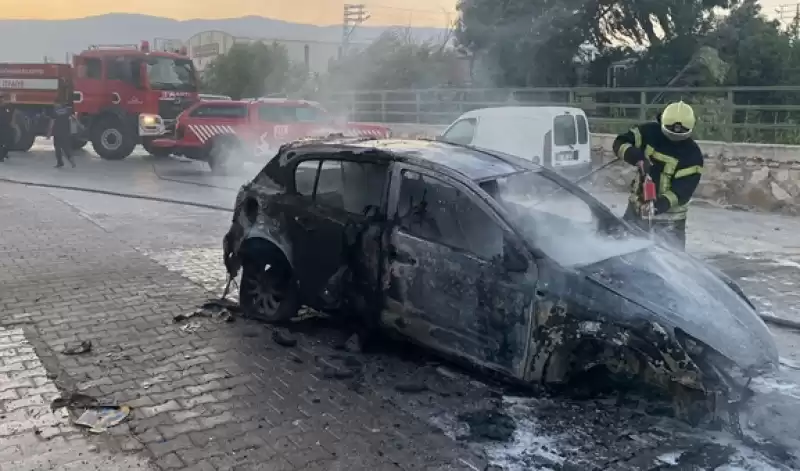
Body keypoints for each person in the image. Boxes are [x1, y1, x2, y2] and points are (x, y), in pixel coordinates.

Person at [612, 101, 704, 250]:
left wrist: (657, 206)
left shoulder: (693, 156)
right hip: (635, 210)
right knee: (622, 249)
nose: (673, 139)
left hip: (670, 223)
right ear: (662, 122)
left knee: (670, 263)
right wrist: (637, 158)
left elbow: (682, 191)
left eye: (679, 136)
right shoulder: (648, 132)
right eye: (670, 134)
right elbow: (620, 143)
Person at [47, 99, 76, 168]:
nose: (54, 105)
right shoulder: (67, 110)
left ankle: (60, 162)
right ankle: (72, 162)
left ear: (57, 104)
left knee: (57, 148)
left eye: (55, 104)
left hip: (57, 132)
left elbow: (51, 123)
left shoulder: (55, 112)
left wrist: (49, 133)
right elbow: (74, 118)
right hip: (66, 132)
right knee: (66, 147)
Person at [0, 94, 15, 162]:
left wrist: (12, 100)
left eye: (3, 100)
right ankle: (1, 157)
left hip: (6, 127)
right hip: (2, 127)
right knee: (1, 143)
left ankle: (4, 154)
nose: (2, 101)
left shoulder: (6, 108)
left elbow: (12, 108)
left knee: (9, 141)